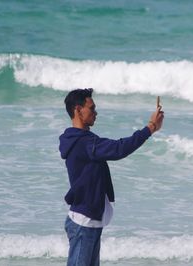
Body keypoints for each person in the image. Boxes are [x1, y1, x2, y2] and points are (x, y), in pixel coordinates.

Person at [59, 88, 164, 266]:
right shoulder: (85, 142)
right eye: (91, 108)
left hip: (88, 221)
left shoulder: (79, 140)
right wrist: (150, 128)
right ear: (78, 110)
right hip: (83, 222)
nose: (95, 113)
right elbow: (119, 148)